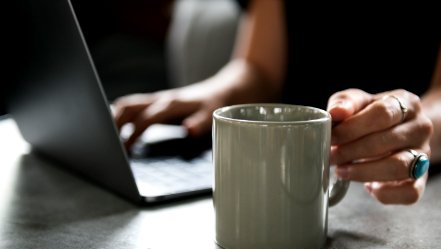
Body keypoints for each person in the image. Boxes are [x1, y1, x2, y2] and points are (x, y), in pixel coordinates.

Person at [112, 0, 441, 205]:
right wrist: (209, 93)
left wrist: (413, 126)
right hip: (279, 170)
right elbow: (259, 68)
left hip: (395, 187)